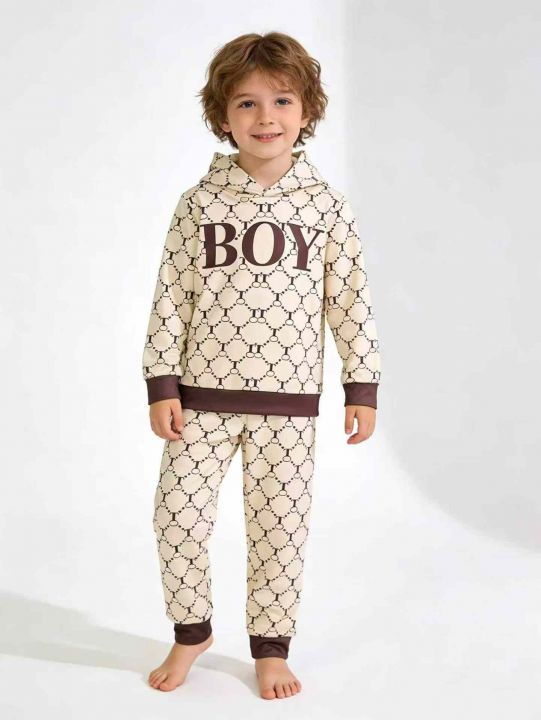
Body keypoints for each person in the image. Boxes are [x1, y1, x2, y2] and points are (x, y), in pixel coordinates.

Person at [142, 31, 381, 700]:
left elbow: (349, 299)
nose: (265, 117)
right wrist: (161, 383)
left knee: (279, 529)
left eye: (282, 100)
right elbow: (171, 296)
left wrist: (360, 386)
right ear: (223, 117)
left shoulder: (326, 206)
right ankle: (192, 630)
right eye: (246, 103)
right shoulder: (199, 203)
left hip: (288, 405)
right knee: (176, 516)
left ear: (307, 111)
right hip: (200, 398)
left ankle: (271, 649)